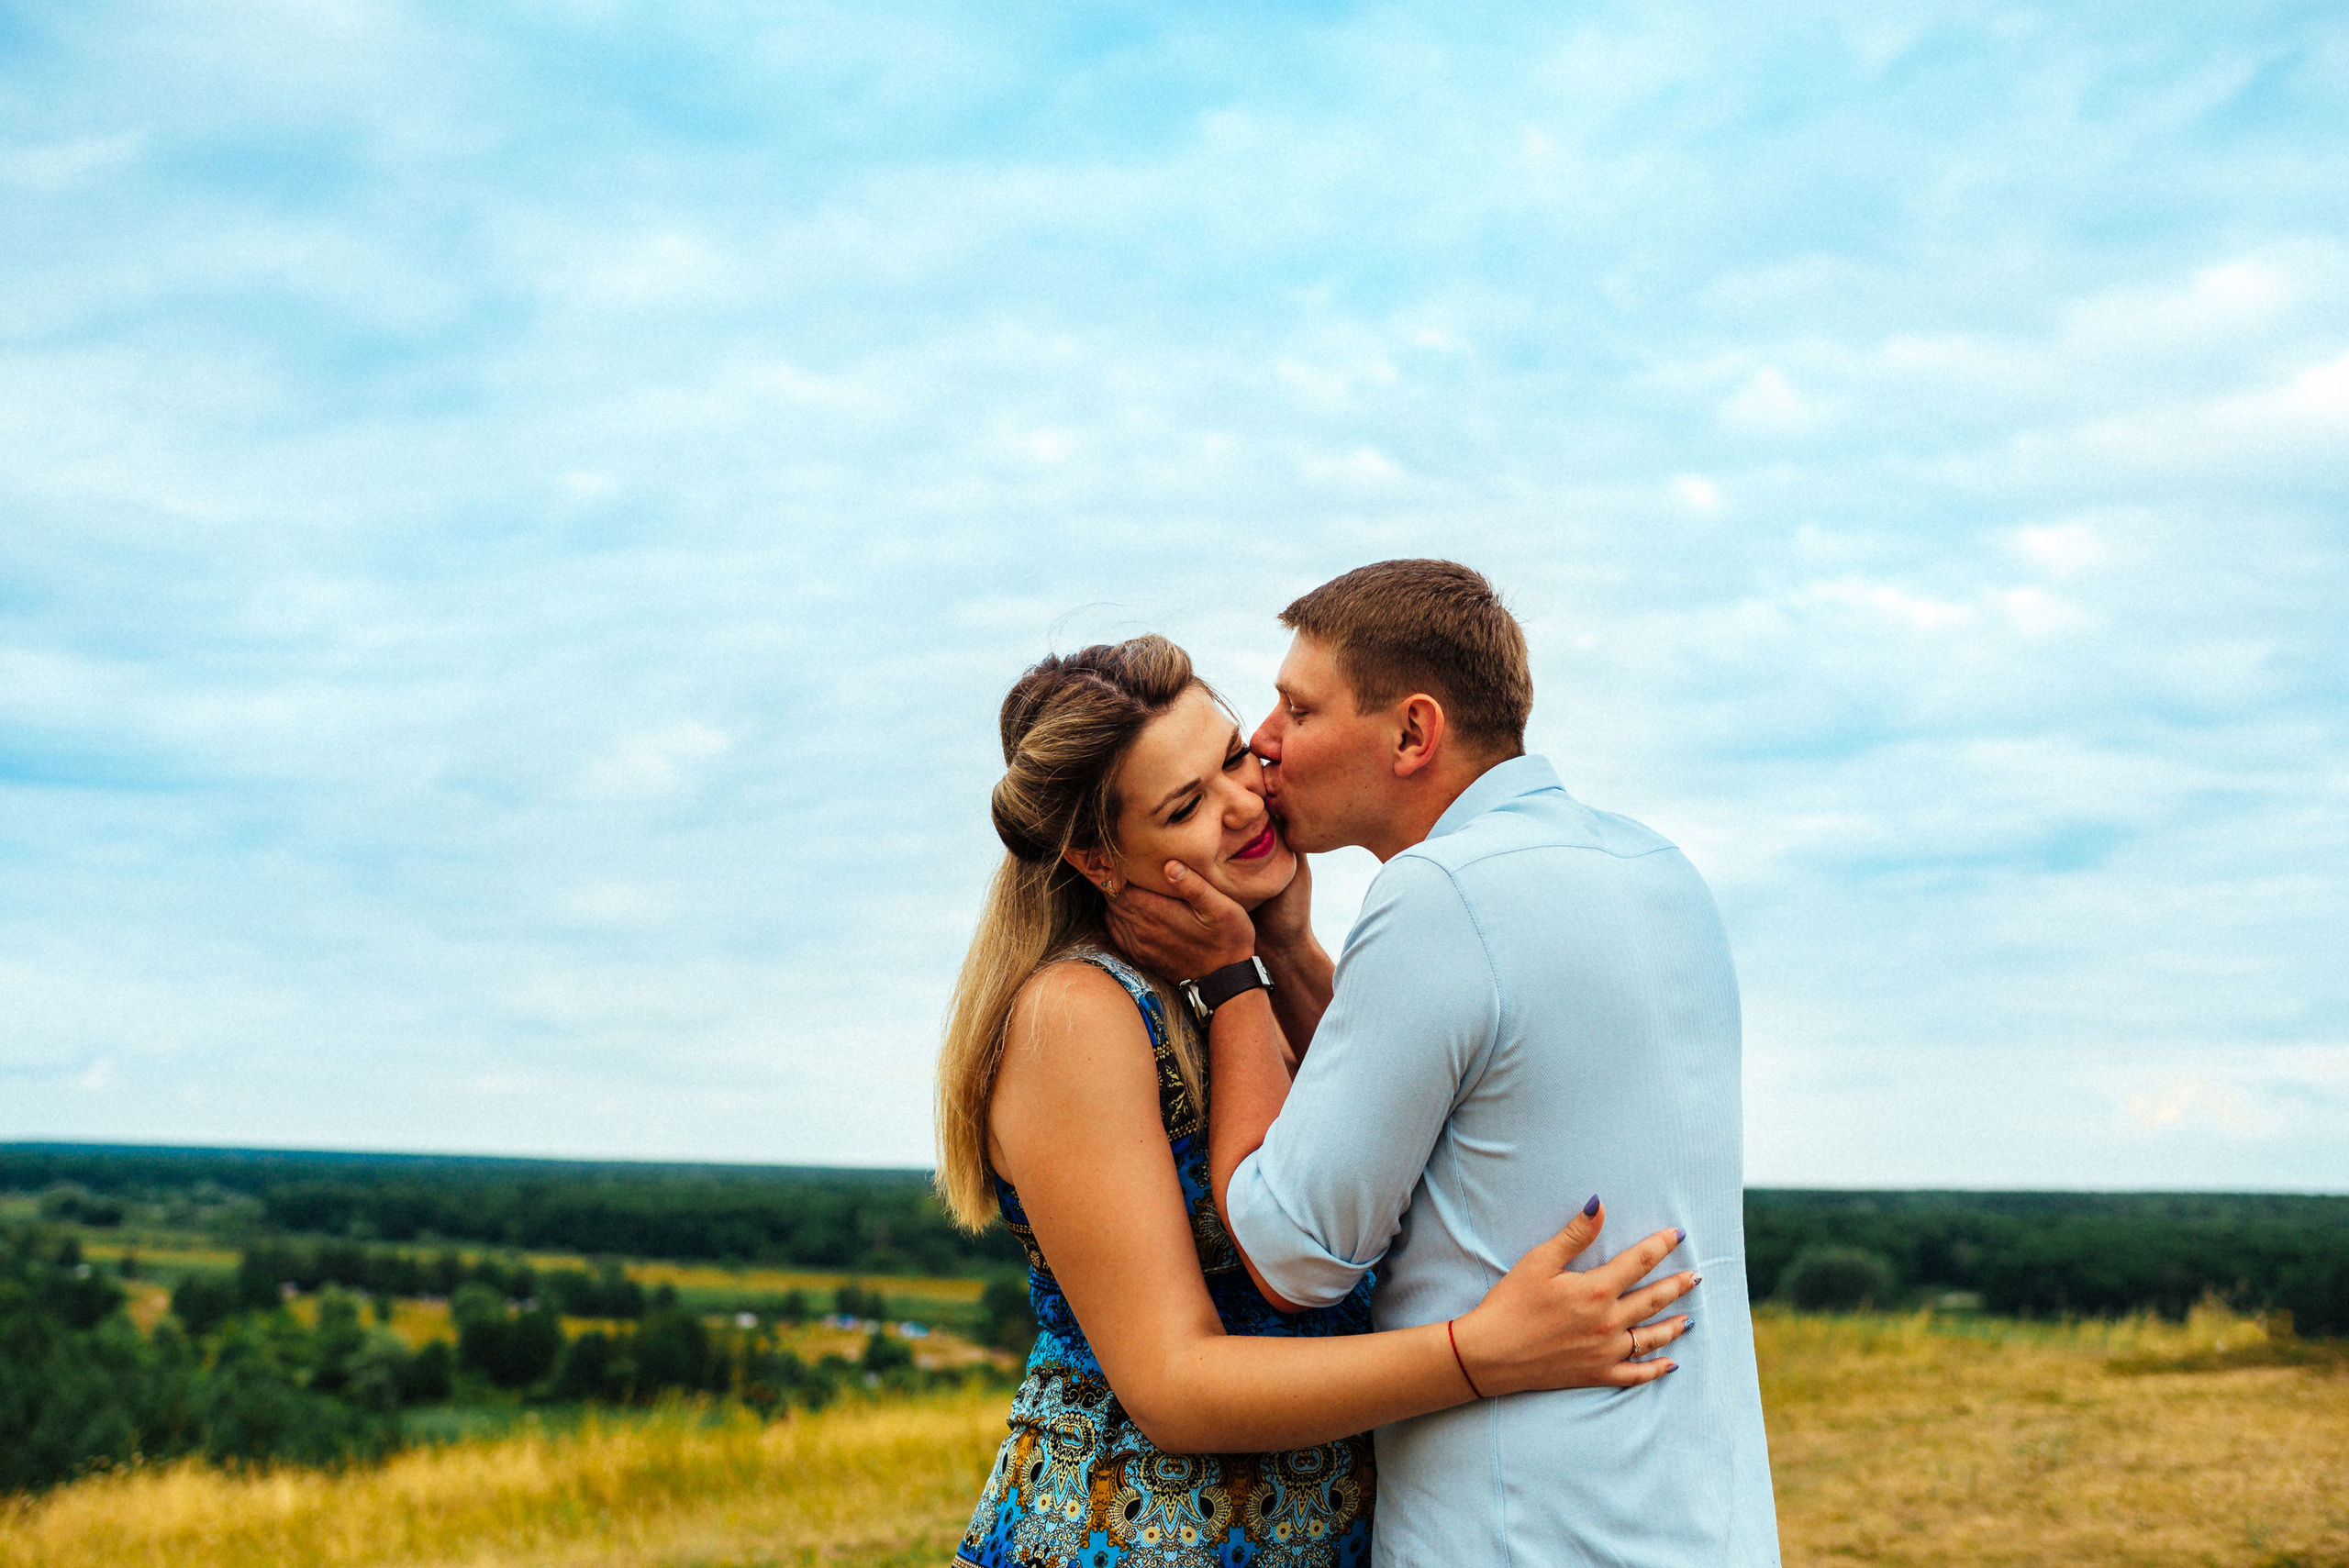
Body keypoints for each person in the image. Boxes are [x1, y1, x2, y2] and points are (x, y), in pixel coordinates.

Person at [935, 634, 1701, 1568]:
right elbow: (1173, 1384)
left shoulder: (1233, 980)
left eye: (1228, 758)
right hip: (1128, 1539)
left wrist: (1285, 948)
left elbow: (1400, 1155)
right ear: (1099, 860)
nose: (1241, 802)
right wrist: (1483, 1351)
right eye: (1184, 806)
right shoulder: (1080, 1011)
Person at [1108, 561, 1781, 1567]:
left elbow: (1291, 1247)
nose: (1263, 742)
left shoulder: (1440, 893)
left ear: (1412, 733)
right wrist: (1292, 950)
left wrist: (1234, 977)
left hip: (1526, 1530)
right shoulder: (1658, 868)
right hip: (1702, 1517)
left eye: (1299, 705)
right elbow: (1438, 1106)